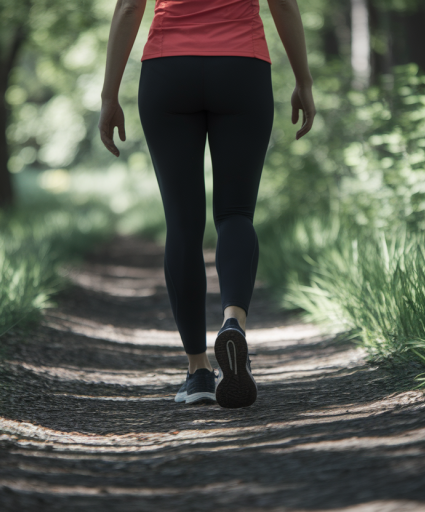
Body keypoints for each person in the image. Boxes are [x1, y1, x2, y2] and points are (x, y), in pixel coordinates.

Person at [99, 0, 315, 408]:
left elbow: (129, 7)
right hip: (242, 68)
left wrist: (109, 95)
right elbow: (284, 4)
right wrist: (304, 80)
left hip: (168, 70)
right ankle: (233, 322)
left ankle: (198, 371)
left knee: (182, 224)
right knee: (236, 214)